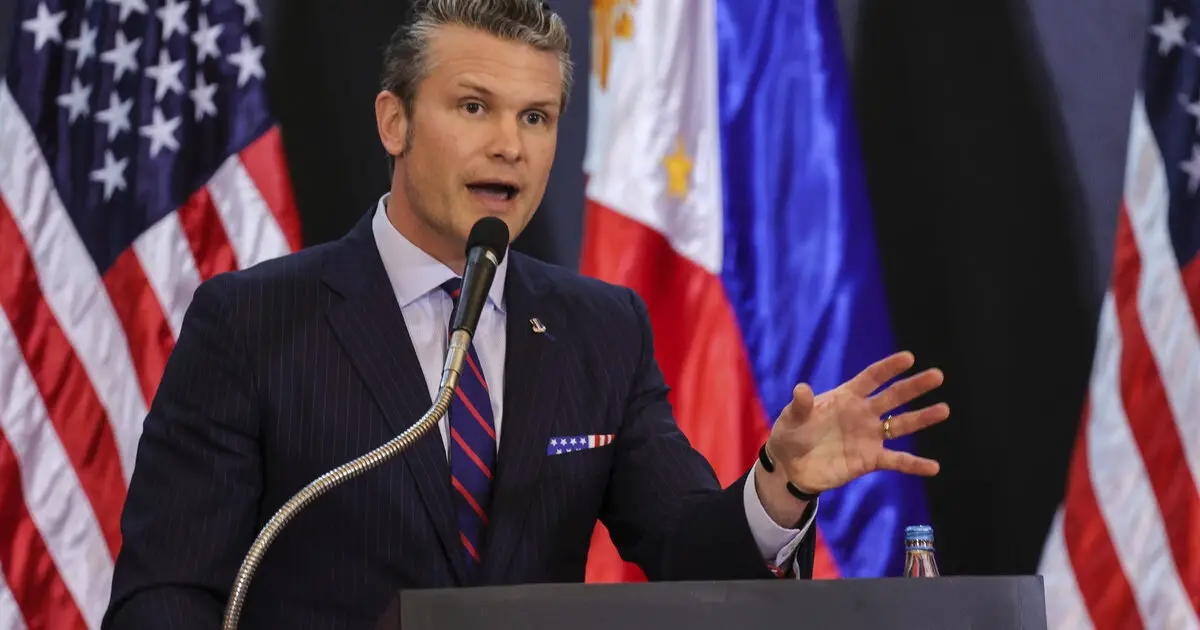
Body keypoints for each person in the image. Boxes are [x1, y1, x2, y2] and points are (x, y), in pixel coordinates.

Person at [102, 1, 950, 628]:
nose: (509, 145)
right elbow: (165, 595)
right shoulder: (252, 322)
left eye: (536, 117)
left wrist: (781, 483)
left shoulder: (600, 330)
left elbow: (687, 553)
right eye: (474, 107)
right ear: (394, 122)